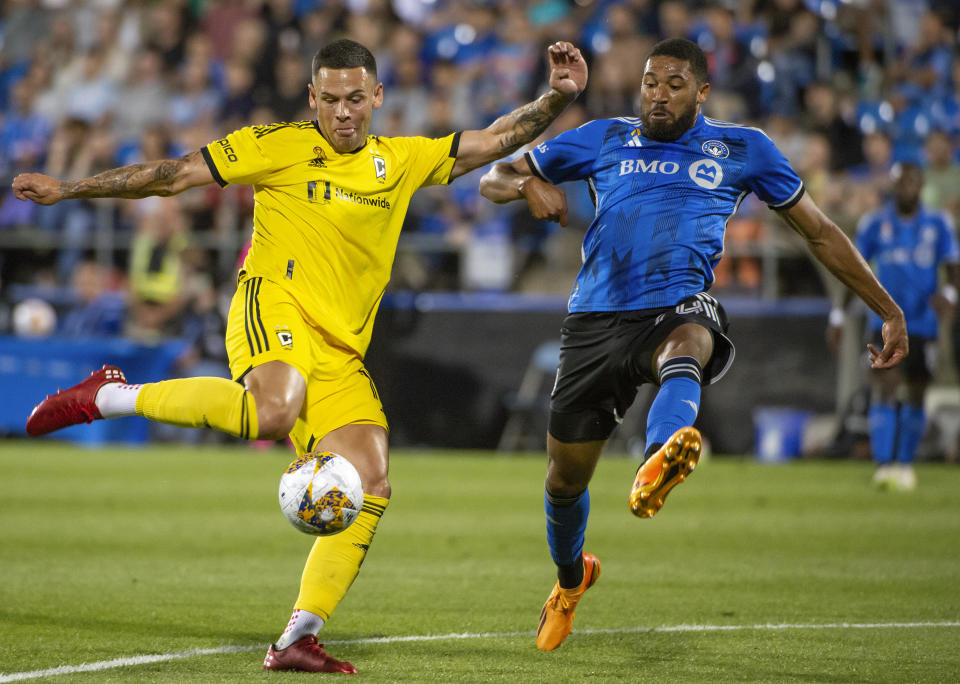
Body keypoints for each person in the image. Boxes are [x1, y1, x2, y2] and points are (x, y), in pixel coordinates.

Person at [13, 38, 588, 674]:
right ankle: (106, 395)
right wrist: (68, 190)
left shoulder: (401, 160)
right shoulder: (274, 144)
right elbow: (170, 175)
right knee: (274, 414)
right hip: (274, 303)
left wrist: (558, 95)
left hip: (341, 349)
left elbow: (495, 139)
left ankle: (296, 638)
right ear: (312, 98)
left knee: (372, 480)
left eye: (355, 99)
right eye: (331, 99)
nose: (343, 112)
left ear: (376, 98)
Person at [478, 38, 908, 652]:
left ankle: (661, 457)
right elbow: (494, 176)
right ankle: (570, 583)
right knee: (563, 482)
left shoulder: (742, 148)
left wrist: (886, 308)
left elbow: (819, 230)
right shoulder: (604, 136)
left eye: (674, 84)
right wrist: (526, 188)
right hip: (596, 318)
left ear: (702, 91)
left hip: (676, 302)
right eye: (651, 82)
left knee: (691, 341)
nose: (658, 94)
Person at [828, 162, 960, 490]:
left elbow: (953, 269)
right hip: (883, 320)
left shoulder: (939, 223)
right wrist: (838, 315)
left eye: (912, 182)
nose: (907, 188)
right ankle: (885, 464)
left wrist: (948, 293)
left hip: (923, 322)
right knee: (884, 385)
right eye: (901, 182)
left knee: (916, 392)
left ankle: (905, 465)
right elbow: (853, 269)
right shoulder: (876, 223)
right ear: (893, 186)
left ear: (921, 185)